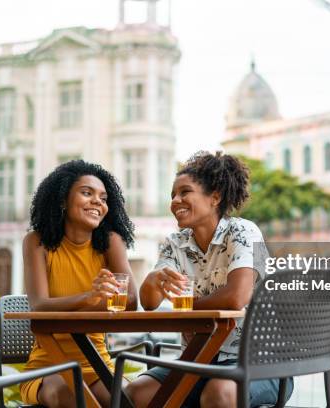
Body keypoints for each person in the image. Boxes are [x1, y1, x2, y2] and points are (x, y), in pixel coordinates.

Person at [125, 152, 294, 408]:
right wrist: (154, 279)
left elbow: (237, 296)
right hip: (197, 361)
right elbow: (149, 303)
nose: (175, 200)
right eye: (172, 194)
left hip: (260, 361)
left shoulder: (243, 231)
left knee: (218, 394)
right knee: (136, 393)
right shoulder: (175, 243)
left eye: (185, 192)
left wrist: (187, 307)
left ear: (215, 197)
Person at [20, 160, 136, 408]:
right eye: (87, 193)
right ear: (62, 200)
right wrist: (89, 297)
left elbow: (130, 301)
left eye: (103, 197)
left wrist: (96, 301)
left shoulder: (110, 242)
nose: (98, 202)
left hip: (97, 365)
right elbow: (38, 306)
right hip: (48, 367)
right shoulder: (37, 242)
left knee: (129, 399)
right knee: (69, 394)